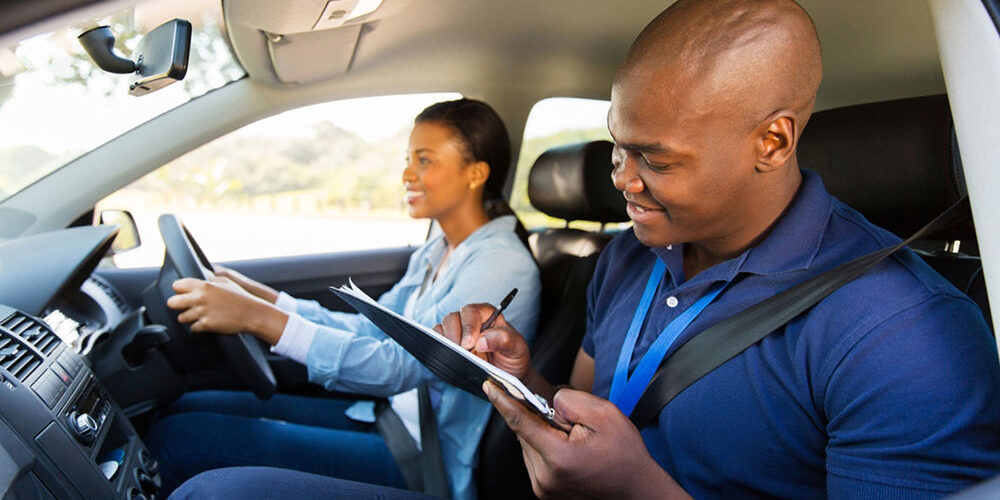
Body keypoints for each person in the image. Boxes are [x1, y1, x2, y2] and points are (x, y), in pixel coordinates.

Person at [169, 0, 1000, 498]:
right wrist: (521, 376)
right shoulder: (628, 260)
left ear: (773, 141)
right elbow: (584, 410)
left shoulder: (904, 338)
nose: (624, 180)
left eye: (656, 158)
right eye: (616, 146)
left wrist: (637, 489)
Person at [146, 98, 541, 500]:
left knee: (176, 441)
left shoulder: (501, 265)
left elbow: (398, 367)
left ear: (475, 174)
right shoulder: (441, 249)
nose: (406, 173)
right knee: (186, 407)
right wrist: (265, 299)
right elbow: (376, 327)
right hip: (386, 418)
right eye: (408, 159)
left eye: (424, 161)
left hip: (425, 460)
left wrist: (257, 318)